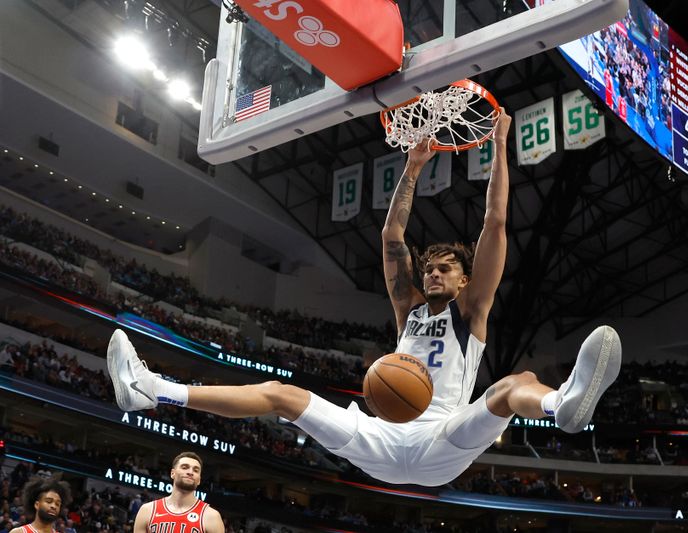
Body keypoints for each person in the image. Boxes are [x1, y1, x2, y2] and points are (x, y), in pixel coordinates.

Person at [106, 108, 621, 486]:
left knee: (516, 384)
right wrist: (414, 167)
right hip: (381, 436)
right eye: (431, 268)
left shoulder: (472, 311)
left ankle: (562, 403)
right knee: (282, 395)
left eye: (446, 268)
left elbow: (496, 221)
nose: (434, 272)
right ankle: (153, 390)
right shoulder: (410, 309)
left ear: (465, 281)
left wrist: (499, 144)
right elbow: (392, 238)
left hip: (444, 439)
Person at [133, 452, 224, 533]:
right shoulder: (147, 510)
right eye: (185, 467)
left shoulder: (211, 516)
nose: (190, 472)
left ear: (199, 480)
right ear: (173, 473)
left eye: (196, 470)